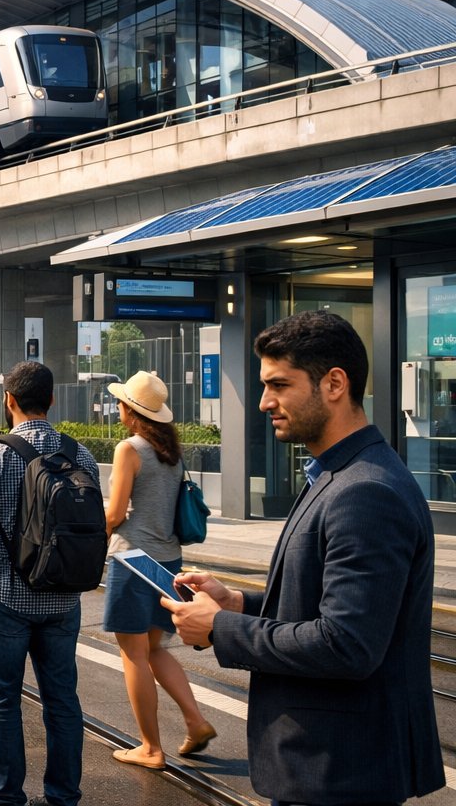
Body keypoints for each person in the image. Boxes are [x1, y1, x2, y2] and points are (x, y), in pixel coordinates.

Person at [167, 310, 443, 806]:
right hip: (325, 769)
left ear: (334, 383)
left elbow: (347, 644)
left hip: (339, 773)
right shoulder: (339, 475)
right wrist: (236, 604)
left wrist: (220, 630)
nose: (263, 401)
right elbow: (317, 602)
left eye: (279, 385)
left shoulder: (366, 492)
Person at [0, 361, 98, 806]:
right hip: (62, 603)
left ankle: (7, 797)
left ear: (9, 401)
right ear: (52, 401)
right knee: (63, 703)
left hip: (6, 599)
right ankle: (63, 796)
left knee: (1, 702)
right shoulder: (83, 455)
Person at [100, 371, 213, 771]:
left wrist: (93, 533)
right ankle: (196, 721)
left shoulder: (129, 449)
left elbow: (115, 513)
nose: (117, 408)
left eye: (121, 403)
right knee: (153, 649)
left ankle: (150, 747)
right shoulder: (171, 452)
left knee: (132, 653)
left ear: (132, 411)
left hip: (132, 560)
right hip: (167, 561)